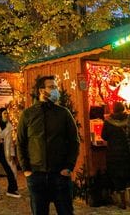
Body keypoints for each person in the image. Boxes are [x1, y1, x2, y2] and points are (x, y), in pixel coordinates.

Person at [17, 75, 79, 215]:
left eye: (55, 87)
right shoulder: (28, 115)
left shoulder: (63, 113)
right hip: (37, 176)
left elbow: (74, 141)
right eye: (51, 87)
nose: (55, 90)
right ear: (41, 90)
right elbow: (20, 143)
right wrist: (26, 169)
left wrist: (69, 167)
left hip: (60, 175)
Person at [101, 102, 130, 210]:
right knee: (128, 175)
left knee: (117, 177)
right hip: (127, 152)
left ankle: (121, 201)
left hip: (113, 153)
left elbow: (104, 136)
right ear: (123, 109)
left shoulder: (108, 121)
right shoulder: (129, 119)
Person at [0, 107, 20, 200]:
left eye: (7, 113)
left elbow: (10, 143)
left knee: (10, 170)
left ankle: (11, 190)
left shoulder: (9, 126)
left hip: (4, 151)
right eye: (4, 113)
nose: (6, 115)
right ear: (0, 114)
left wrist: (12, 154)